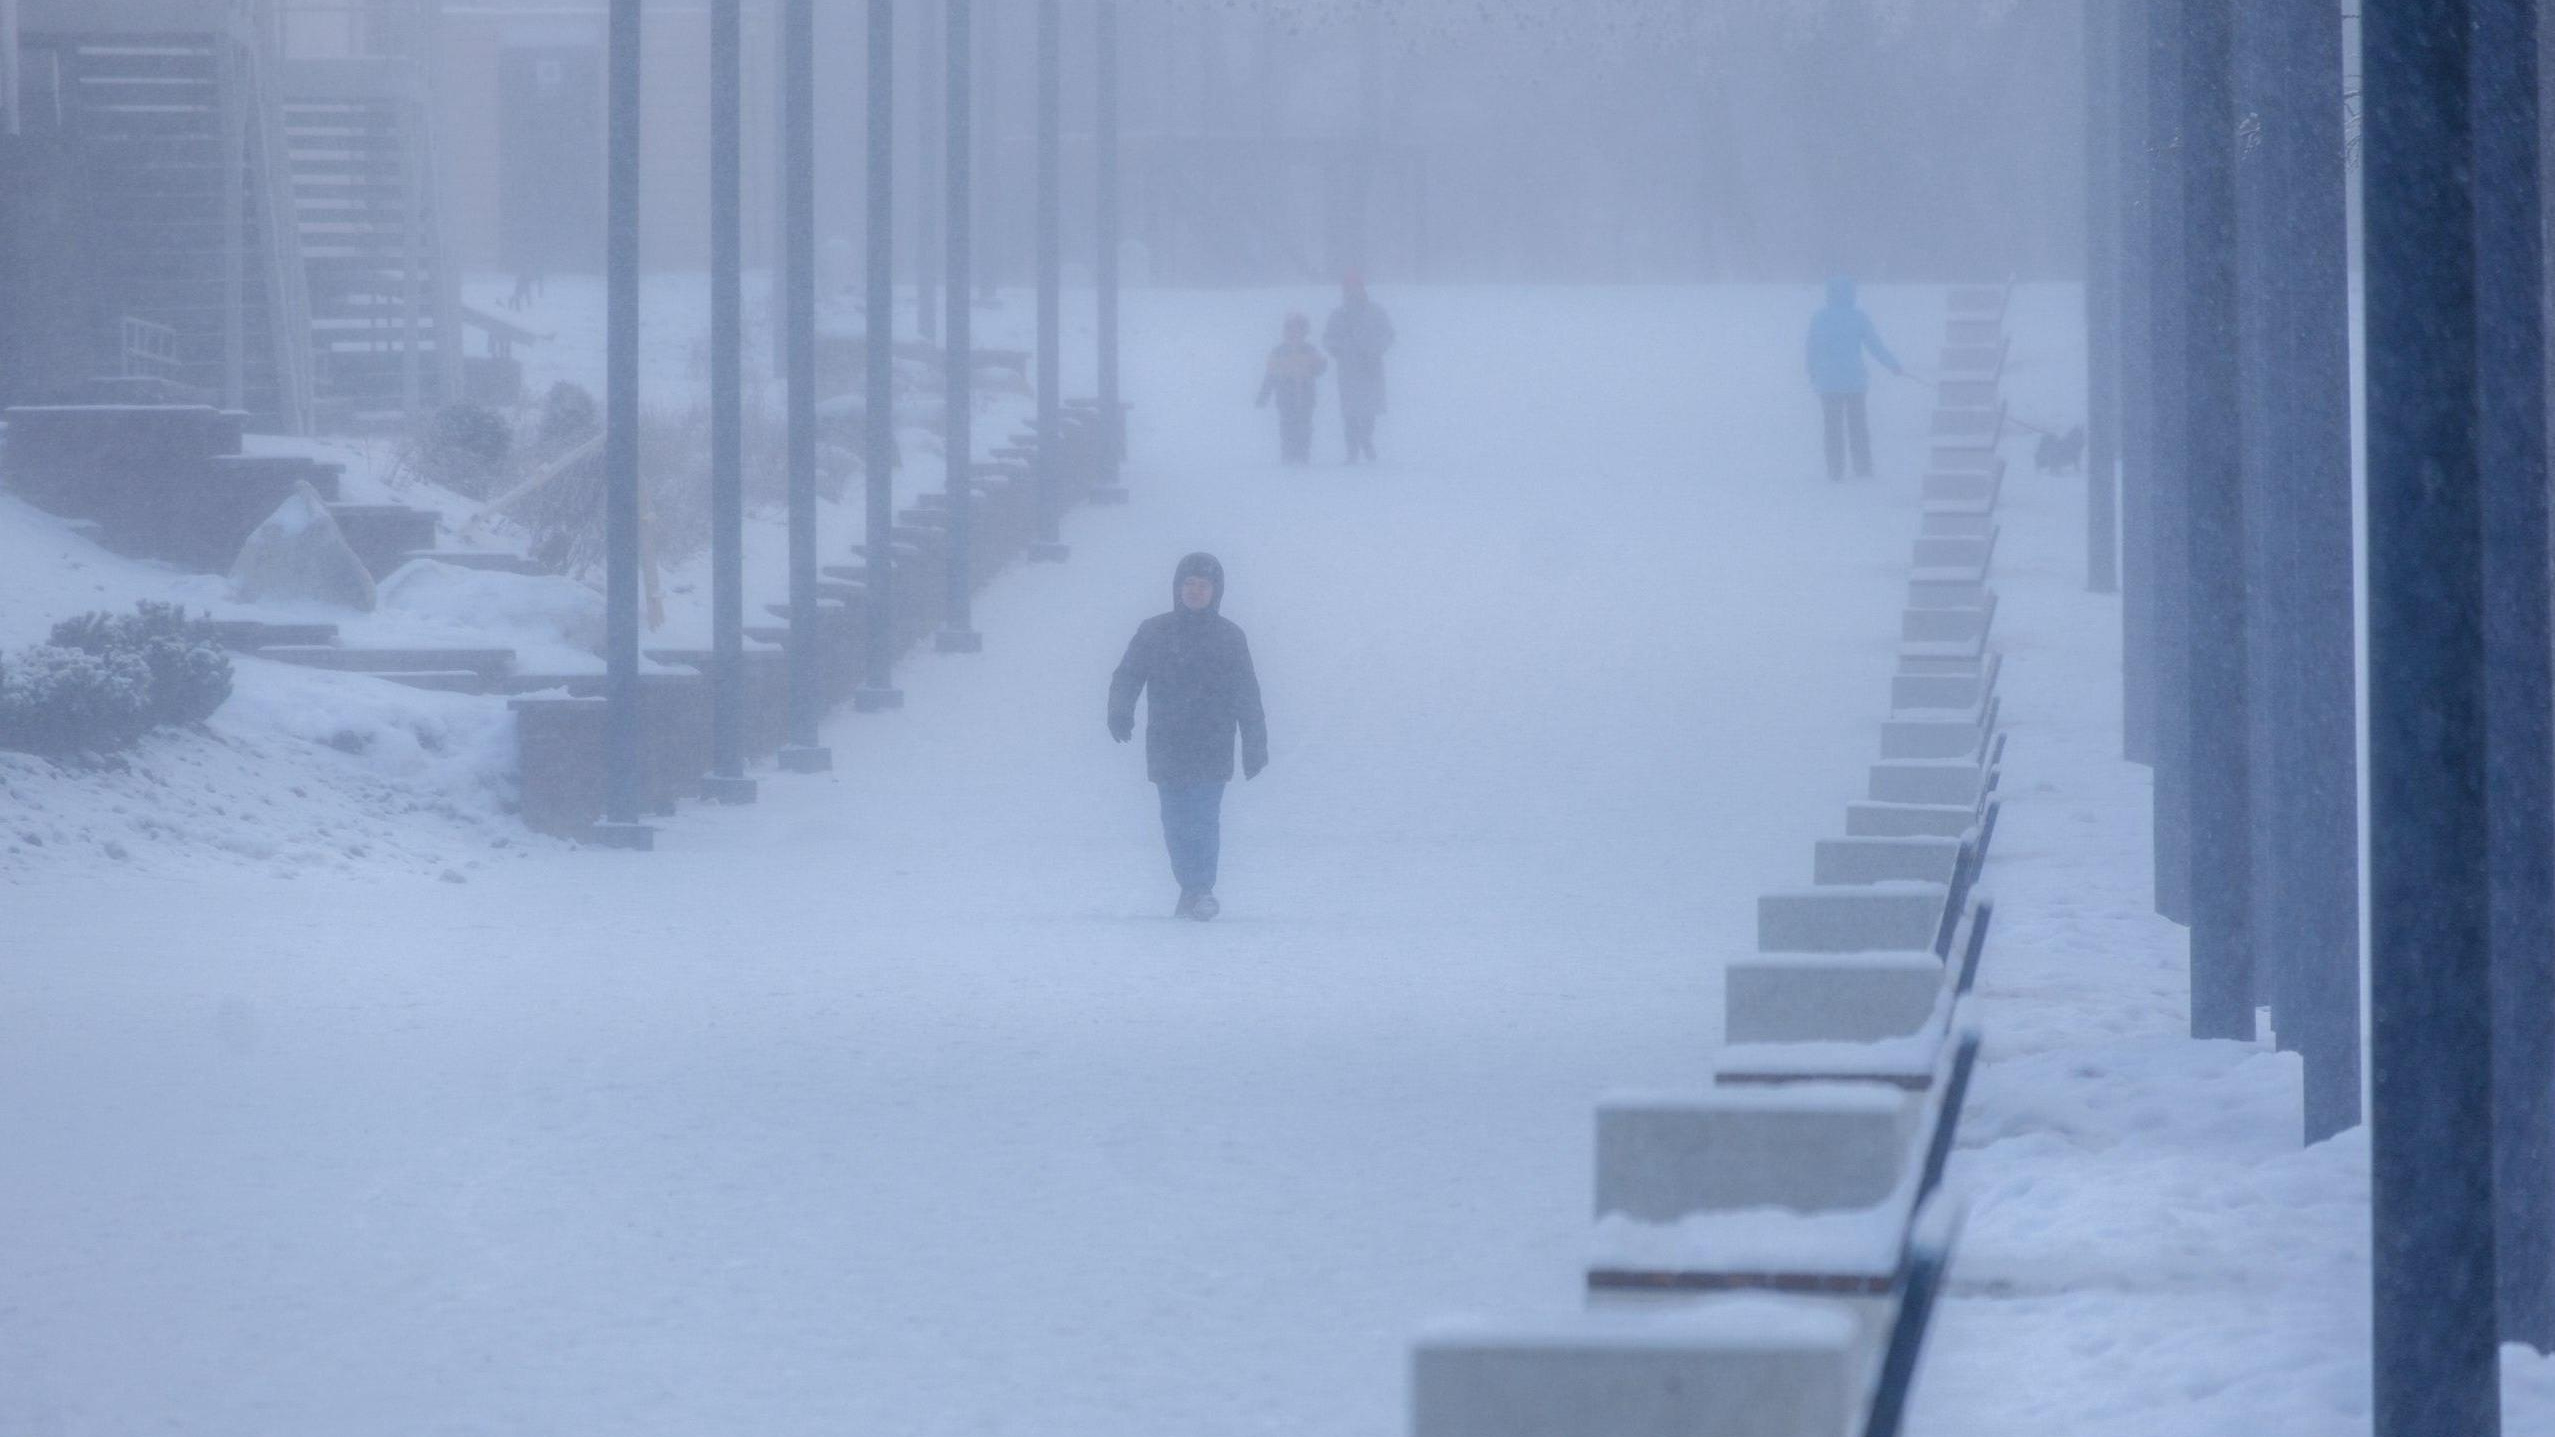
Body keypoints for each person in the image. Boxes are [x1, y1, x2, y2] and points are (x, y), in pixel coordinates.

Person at [1108, 553, 1269, 921]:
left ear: (1216, 591)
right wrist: (1119, 710)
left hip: (1213, 742)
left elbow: (1247, 692)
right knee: (1176, 820)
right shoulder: (1154, 632)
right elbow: (1128, 675)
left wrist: (1254, 742)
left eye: (1203, 586)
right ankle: (1190, 887)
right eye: (1189, 585)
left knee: (1204, 817)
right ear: (1178, 588)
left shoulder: (1230, 638)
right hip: (1168, 742)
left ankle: (1201, 889)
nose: (1195, 592)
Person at [1805, 275, 1902, 480]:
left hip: (1829, 383)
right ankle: (1863, 468)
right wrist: (1893, 365)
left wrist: (1812, 372)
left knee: (1833, 429)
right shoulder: (1858, 317)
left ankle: (1835, 470)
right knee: (1858, 427)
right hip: (1854, 382)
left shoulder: (1819, 318)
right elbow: (1875, 346)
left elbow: (1812, 350)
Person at [1324, 273, 1396, 464]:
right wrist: (1337, 351)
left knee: (1370, 409)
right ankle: (1352, 452)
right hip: (1348, 370)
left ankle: (1366, 439)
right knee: (1349, 412)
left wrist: (1376, 350)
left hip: (1371, 367)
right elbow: (1328, 338)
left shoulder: (1377, 312)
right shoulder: (1338, 315)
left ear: (1363, 289)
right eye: (1349, 287)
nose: (1353, 291)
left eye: (1356, 286)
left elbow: (1388, 334)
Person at [1256, 313, 1328, 465]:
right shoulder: (1278, 352)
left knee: (1305, 425)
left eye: (1298, 330)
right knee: (1287, 425)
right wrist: (1264, 395)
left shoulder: (1309, 350)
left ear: (1304, 332)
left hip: (1306, 394)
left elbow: (1318, 369)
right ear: (1285, 332)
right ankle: (1288, 455)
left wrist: (1321, 366)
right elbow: (1270, 375)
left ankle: (1303, 455)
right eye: (1290, 330)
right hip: (1285, 395)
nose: (1294, 334)